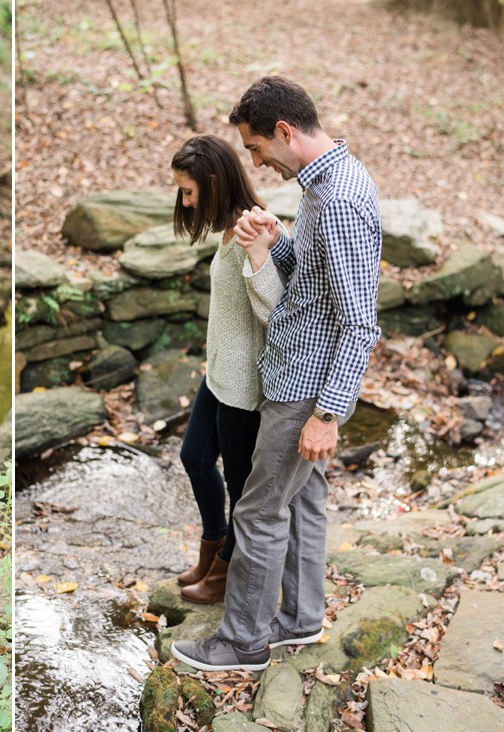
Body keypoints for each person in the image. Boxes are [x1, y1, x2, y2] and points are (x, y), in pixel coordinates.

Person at [171, 76, 382, 672]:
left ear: (283, 132)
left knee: (259, 513)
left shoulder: (336, 199)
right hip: (300, 372)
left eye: (257, 149)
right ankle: (299, 620)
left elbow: (359, 321)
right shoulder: (326, 186)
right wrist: (278, 243)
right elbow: (312, 286)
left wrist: (327, 413)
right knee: (305, 503)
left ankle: (243, 642)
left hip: (304, 387)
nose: (256, 163)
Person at [170, 135, 283, 604]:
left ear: (214, 183)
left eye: (190, 190)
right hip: (219, 374)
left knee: (241, 488)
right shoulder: (227, 228)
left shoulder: (253, 229)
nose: (185, 200)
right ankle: (212, 544)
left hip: (244, 386)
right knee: (194, 458)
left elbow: (276, 309)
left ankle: (224, 572)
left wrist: (260, 254)